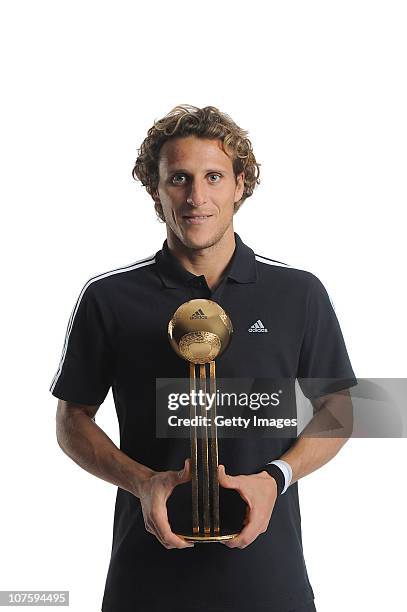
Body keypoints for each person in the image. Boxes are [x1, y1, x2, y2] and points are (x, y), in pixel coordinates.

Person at [50, 105, 357, 612]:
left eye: (214, 176)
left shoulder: (298, 293)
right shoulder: (110, 298)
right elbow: (70, 419)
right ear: (155, 189)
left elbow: (343, 408)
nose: (197, 197)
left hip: (268, 578)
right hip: (146, 581)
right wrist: (142, 482)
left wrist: (274, 478)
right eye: (179, 179)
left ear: (240, 185)